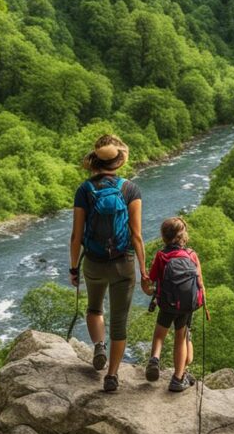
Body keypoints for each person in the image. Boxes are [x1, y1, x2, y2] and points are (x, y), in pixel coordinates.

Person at [69, 135, 149, 392]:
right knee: (120, 321)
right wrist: (144, 270)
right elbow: (136, 235)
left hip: (93, 262)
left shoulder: (84, 189)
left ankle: (98, 346)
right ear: (119, 162)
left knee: (94, 309)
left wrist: (73, 268)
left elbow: (76, 235)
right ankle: (112, 375)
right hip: (123, 263)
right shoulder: (130, 189)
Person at [143, 217, 204, 392]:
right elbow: (199, 282)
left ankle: (154, 359)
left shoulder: (162, 256)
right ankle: (178, 378)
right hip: (185, 306)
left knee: (159, 334)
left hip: (167, 303)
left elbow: (152, 280)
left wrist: (147, 288)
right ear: (184, 236)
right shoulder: (191, 255)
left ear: (164, 237)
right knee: (181, 338)